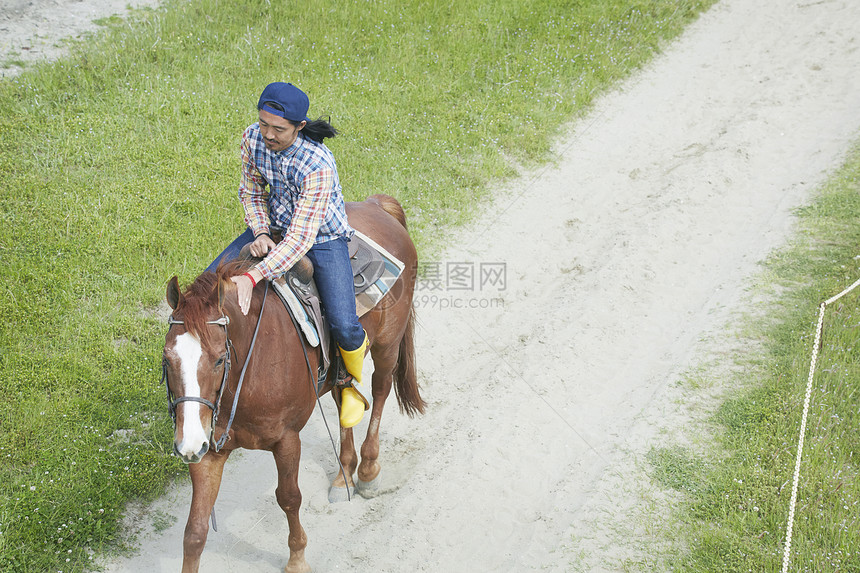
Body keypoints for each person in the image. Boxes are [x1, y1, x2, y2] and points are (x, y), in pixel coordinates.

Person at [207, 81, 369, 428]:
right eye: (263, 123)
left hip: (321, 237)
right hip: (274, 226)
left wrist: (254, 274)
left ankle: (350, 383)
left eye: (278, 129)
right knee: (206, 287)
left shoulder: (318, 162)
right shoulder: (252, 139)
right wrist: (261, 232)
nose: (267, 134)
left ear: (299, 126)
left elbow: (300, 240)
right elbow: (251, 191)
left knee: (344, 322)